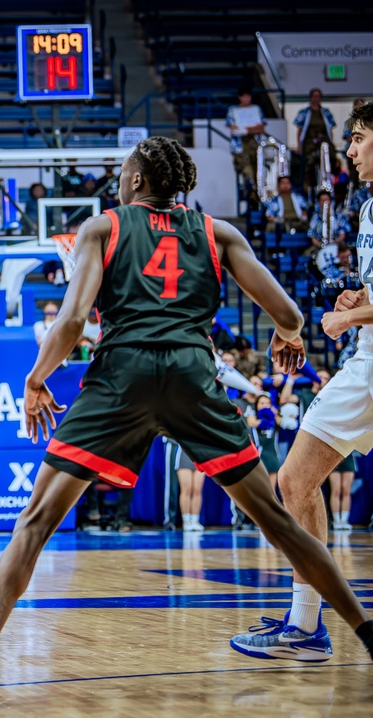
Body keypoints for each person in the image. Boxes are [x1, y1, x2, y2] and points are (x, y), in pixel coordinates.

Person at [0, 136, 373, 708]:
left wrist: (35, 380)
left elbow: (74, 318)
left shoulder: (103, 228)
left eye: (123, 173)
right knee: (283, 525)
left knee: (33, 525)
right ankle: (367, 638)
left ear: (134, 181)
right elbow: (288, 312)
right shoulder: (218, 232)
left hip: (122, 376)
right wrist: (289, 334)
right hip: (190, 376)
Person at [229, 100, 373, 662]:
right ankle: (306, 623)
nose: (351, 150)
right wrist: (360, 300)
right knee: (297, 481)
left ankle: (308, 626)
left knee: (293, 480)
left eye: (359, 137)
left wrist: (345, 318)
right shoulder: (364, 209)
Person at [226, 88, 267, 206]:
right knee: (248, 175)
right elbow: (233, 128)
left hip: (255, 145)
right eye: (244, 96)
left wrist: (244, 129)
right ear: (239, 97)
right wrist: (252, 128)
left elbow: (261, 128)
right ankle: (251, 201)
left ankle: (259, 201)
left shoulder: (256, 109)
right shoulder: (232, 110)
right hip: (240, 147)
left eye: (248, 96)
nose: (246, 99)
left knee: (259, 174)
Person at [294, 89, 336, 195]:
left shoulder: (326, 112)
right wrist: (299, 146)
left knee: (327, 163)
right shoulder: (304, 112)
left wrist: (331, 144)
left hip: (323, 143)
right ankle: (307, 189)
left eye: (318, 96)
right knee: (309, 165)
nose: (316, 99)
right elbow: (299, 130)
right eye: (314, 96)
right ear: (310, 97)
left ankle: (327, 187)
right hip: (309, 143)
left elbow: (330, 130)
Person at [328, 453, 356, 531]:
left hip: (348, 457)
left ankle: (344, 520)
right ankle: (336, 520)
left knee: (346, 491)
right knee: (336, 491)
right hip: (333, 457)